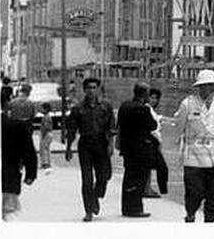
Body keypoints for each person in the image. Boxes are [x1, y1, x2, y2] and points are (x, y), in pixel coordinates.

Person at [174, 69, 214, 223]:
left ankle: (209, 223)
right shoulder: (187, 104)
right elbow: (179, 128)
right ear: (200, 87)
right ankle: (190, 214)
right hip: (194, 158)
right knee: (195, 193)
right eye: (208, 86)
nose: (211, 89)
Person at [65, 77, 116, 222]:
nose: (91, 91)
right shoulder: (78, 108)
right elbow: (72, 129)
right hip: (85, 145)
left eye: (94, 87)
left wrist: (111, 144)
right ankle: (88, 210)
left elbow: (111, 127)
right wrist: (68, 147)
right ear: (84, 90)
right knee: (87, 179)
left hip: (101, 143)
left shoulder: (105, 106)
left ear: (98, 89)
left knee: (104, 175)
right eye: (89, 88)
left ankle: (95, 195)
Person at [117, 82, 159, 218]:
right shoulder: (143, 109)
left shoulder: (124, 106)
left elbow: (119, 125)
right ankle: (135, 207)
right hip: (140, 149)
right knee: (139, 179)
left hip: (127, 148)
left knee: (128, 177)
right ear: (145, 94)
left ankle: (126, 206)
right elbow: (152, 125)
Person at [2, 88, 37, 221]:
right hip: (10, 174)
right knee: (7, 213)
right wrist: (31, 172)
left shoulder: (13, 103)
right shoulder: (29, 103)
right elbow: (28, 150)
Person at [144, 88, 169, 198]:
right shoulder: (147, 110)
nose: (154, 100)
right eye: (152, 98)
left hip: (153, 141)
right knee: (161, 167)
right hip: (152, 141)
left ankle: (147, 188)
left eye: (156, 98)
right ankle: (152, 189)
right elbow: (153, 129)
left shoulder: (151, 110)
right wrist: (159, 142)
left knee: (149, 166)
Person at [38, 103, 54, 175]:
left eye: (42, 108)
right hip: (48, 134)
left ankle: (46, 163)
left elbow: (46, 126)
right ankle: (46, 162)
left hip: (46, 134)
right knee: (46, 149)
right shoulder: (47, 116)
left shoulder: (46, 117)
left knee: (44, 149)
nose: (41, 110)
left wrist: (43, 135)